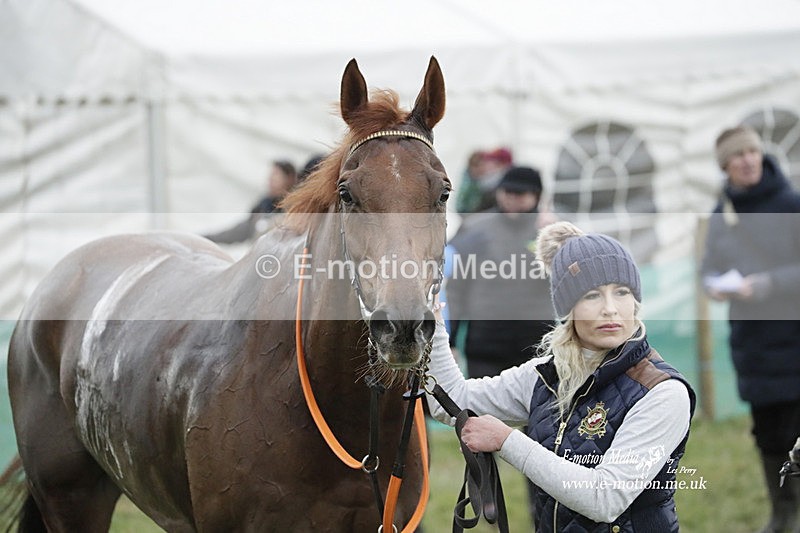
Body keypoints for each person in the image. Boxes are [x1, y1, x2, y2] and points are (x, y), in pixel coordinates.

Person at [427, 221, 696, 532]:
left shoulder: (661, 392)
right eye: (592, 295)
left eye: (621, 292)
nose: (610, 308)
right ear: (567, 307)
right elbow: (451, 401)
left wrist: (507, 441)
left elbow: (605, 499)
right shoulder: (545, 375)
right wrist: (431, 324)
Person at [701, 125, 800, 533]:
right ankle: (782, 513)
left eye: (752, 152)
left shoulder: (791, 203)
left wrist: (767, 284)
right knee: (767, 433)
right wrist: (713, 284)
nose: (747, 161)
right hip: (752, 340)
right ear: (725, 166)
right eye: (737, 156)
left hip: (793, 337)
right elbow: (707, 266)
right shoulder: (722, 213)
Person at [447, 166, 553, 379]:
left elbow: (570, 282)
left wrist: (557, 239)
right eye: (507, 192)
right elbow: (456, 288)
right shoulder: (475, 228)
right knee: (483, 407)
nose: (512, 199)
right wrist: (451, 341)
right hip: (485, 346)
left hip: (537, 344)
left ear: (537, 196)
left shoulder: (551, 230)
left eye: (520, 194)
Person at [205, 160, 297, 244]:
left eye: (275, 174)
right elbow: (240, 231)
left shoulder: (295, 209)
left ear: (289, 178)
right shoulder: (264, 205)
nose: (270, 179)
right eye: (270, 175)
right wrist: (207, 239)